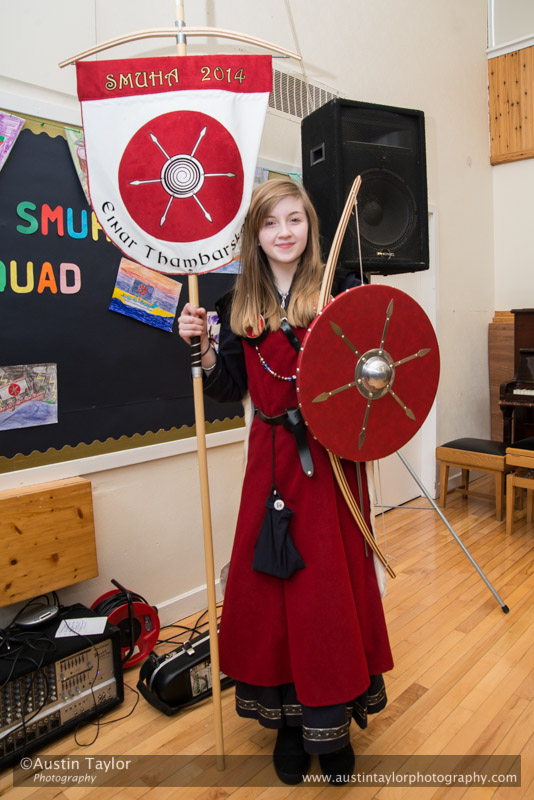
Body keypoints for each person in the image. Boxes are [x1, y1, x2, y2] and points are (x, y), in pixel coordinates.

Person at [178, 178, 393, 785]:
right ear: (256, 233)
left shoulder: (339, 289)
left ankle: (335, 726)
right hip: (271, 461)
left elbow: (374, 375)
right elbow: (229, 388)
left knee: (329, 596)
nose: (284, 232)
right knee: (277, 596)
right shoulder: (233, 303)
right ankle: (293, 729)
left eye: (294, 219)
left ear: (310, 226)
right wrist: (202, 348)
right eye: (271, 222)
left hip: (333, 463)